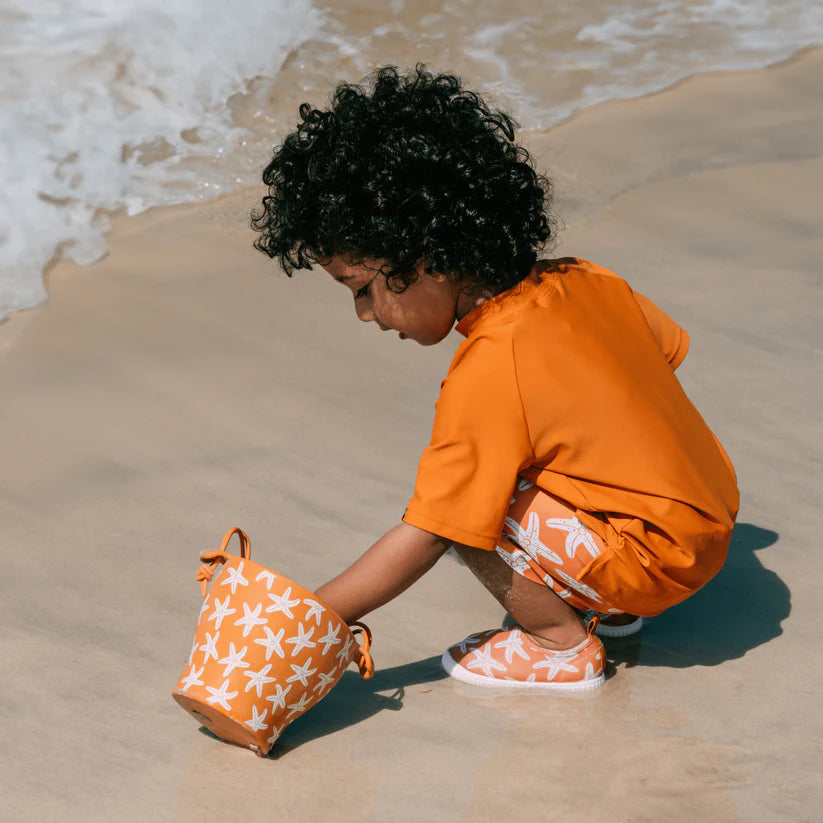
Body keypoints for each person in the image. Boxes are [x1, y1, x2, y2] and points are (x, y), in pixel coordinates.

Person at [251, 65, 739, 691]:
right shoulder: (585, 278)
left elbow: (429, 532)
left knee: (475, 506)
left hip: (656, 562)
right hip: (707, 518)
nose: (364, 315)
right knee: (554, 446)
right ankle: (610, 608)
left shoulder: (492, 361)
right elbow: (659, 356)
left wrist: (309, 623)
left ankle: (559, 644)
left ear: (427, 254)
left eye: (362, 288)